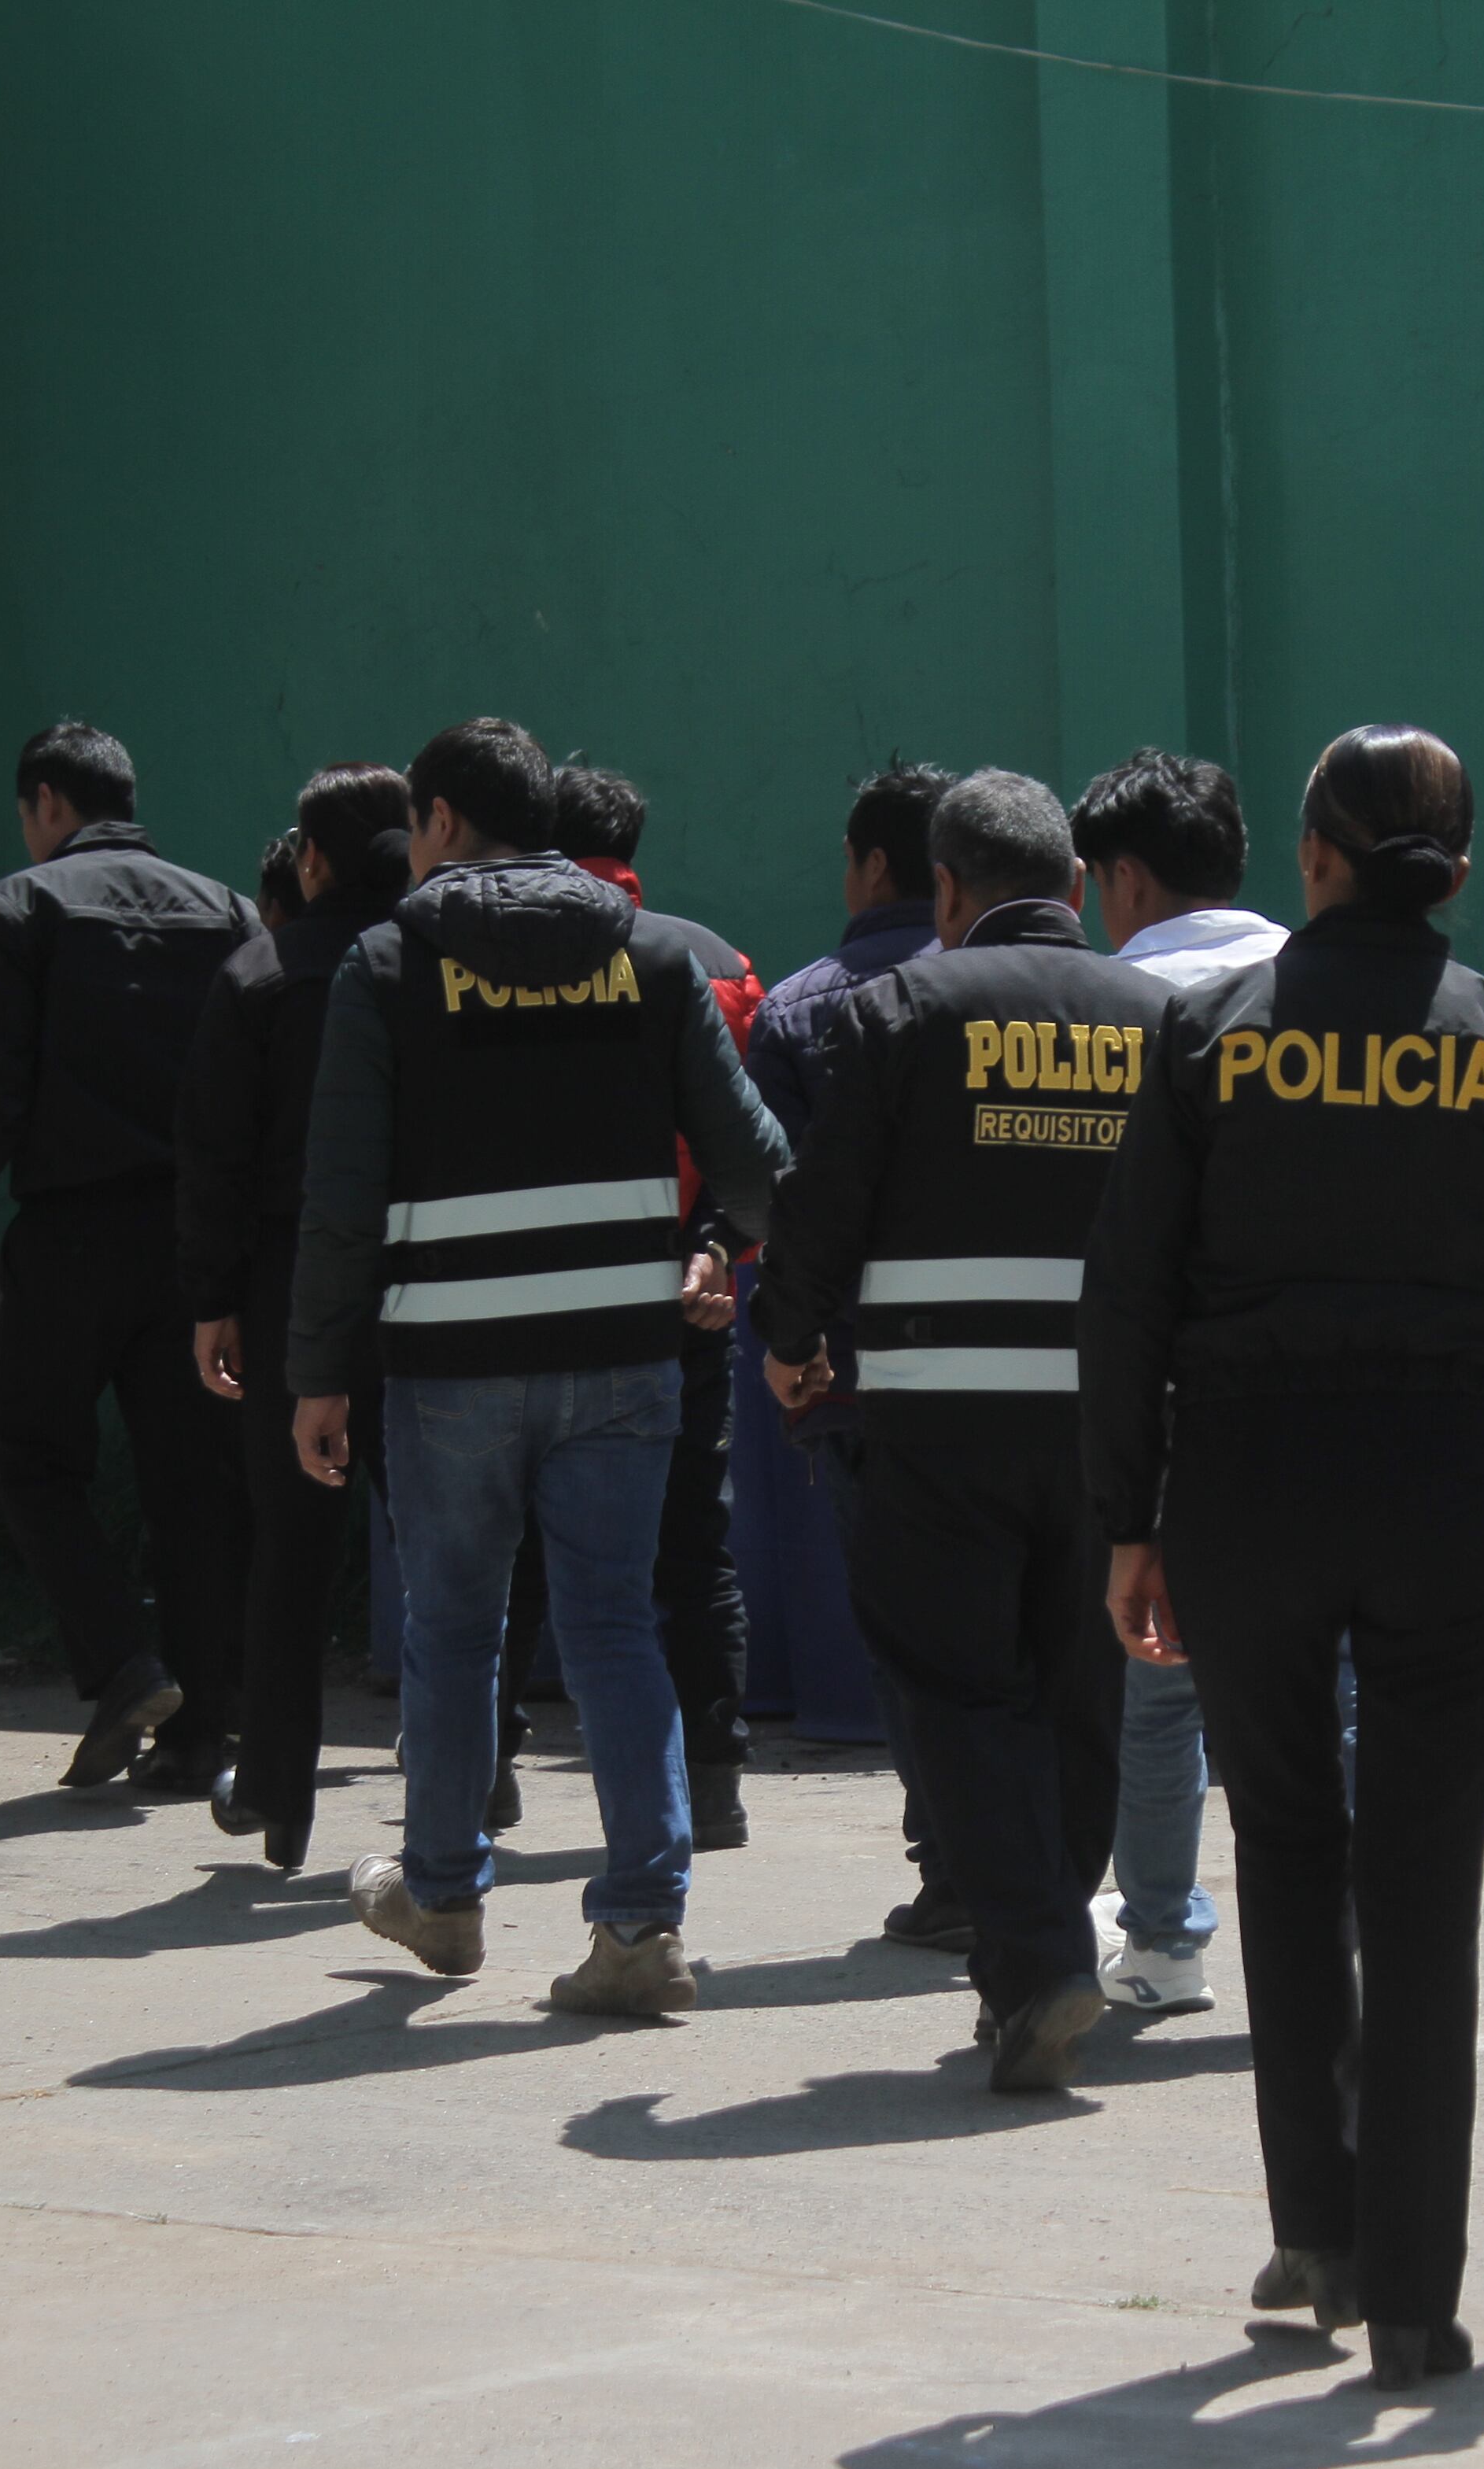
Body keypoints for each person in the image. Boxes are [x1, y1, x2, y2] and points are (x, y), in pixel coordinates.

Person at [1080, 725, 1484, 2389]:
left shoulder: (1211, 1033)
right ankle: (1419, 2308)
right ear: (1461, 873)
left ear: (1313, 860)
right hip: (1441, 1491)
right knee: (1423, 1895)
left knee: (1285, 1849)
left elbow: (1127, 1293)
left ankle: (1324, 2233)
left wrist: (1129, 1521)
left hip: (1244, 1492)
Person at [290, 716, 787, 2014]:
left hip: (450, 1363)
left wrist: (320, 1371)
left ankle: (444, 1897)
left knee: (454, 1625)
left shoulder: (387, 965)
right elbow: (756, 1161)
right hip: (624, 1358)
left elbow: (340, 1198)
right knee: (617, 1624)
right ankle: (640, 1929)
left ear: (441, 821)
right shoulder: (660, 954)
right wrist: (720, 1247)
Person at [754, 769, 1173, 2091]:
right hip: (1116, 1429)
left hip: (939, 1423)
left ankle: (1041, 1956)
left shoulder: (899, 1010)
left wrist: (788, 1337)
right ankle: (1040, 1955)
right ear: (1074, 884)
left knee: (955, 1690)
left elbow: (822, 1202)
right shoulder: (1166, 1017)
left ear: (944, 888)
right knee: (1080, 1685)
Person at [0, 720, 256, 1792]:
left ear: (48, 805)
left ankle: (124, 1659)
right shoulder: (228, 911)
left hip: (70, 1233)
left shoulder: (16, 910)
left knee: (36, 1459)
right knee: (193, 1485)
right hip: (198, 1243)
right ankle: (203, 1733)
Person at [491, 761, 765, 1847]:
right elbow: (747, 1143)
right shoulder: (711, 961)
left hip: (529, 1297)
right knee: (693, 1546)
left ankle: (486, 1766)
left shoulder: (490, 956)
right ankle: (716, 1783)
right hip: (683, 1293)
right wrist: (719, 1251)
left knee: (506, 1543)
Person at [178, 764, 415, 1873]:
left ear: (309, 860)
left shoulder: (264, 971)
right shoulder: (430, 967)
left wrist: (213, 1299)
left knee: (292, 1542)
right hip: (421, 1278)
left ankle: (280, 1790)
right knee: (443, 1535)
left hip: (285, 1283)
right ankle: (486, 1762)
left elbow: (215, 1154)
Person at [1072, 747, 1279, 2019]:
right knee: (1331, 1688)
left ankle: (1161, 1939)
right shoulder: (1314, 980)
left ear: (1127, 878)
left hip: (1170, 1385)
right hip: (1325, 1381)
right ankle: (1349, 1941)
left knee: (1161, 1672)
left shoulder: (1111, 1003)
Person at [744, 760, 964, 1947]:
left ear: (876, 865)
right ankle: (1030, 1867)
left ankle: (950, 1869)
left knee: (907, 1637)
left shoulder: (802, 1008)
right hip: (1015, 1372)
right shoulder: (1024, 996)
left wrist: (791, 1343)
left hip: (856, 1379)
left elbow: (784, 1204)